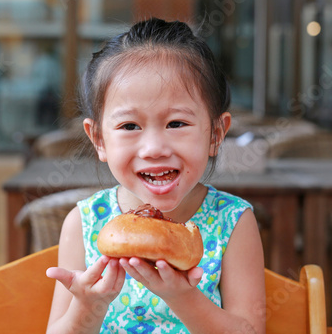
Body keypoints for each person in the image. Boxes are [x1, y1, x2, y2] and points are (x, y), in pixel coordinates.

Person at [45, 17, 265, 334]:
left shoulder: (233, 221)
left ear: (216, 134)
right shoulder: (85, 223)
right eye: (130, 126)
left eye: (176, 124)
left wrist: (184, 298)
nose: (154, 148)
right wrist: (88, 307)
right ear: (99, 140)